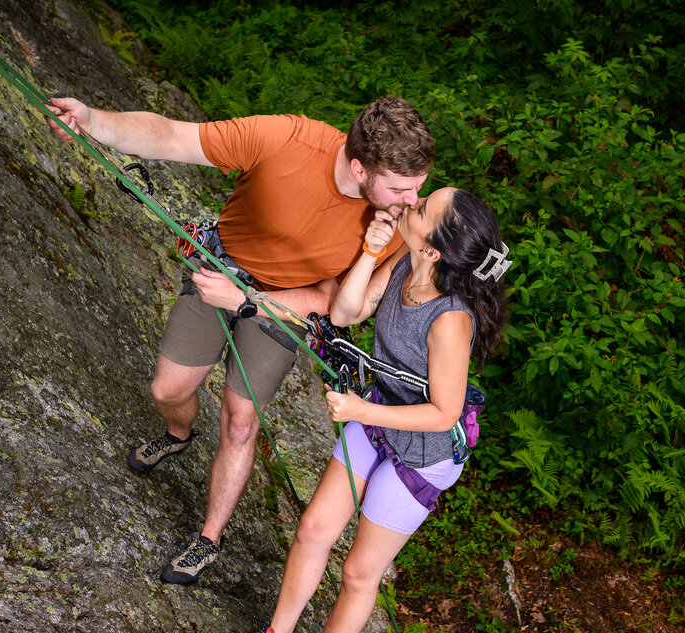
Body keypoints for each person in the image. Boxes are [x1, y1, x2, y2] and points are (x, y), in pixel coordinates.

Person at [43, 96, 435, 585]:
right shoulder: (286, 138)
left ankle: (209, 537)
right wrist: (94, 120)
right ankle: (178, 435)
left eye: (417, 189)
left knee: (241, 422)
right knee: (167, 390)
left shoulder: (394, 224)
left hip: (287, 306)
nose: (410, 202)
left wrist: (246, 301)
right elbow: (173, 136)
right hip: (222, 268)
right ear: (359, 167)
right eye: (401, 189)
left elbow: (333, 302)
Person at [211, 186, 509, 633]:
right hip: (375, 417)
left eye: (419, 211)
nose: (407, 209)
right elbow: (348, 313)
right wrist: (371, 254)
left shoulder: (450, 320)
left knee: (358, 573)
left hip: (422, 452)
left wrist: (360, 412)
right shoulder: (403, 264)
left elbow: (443, 412)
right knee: (313, 529)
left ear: (434, 249)